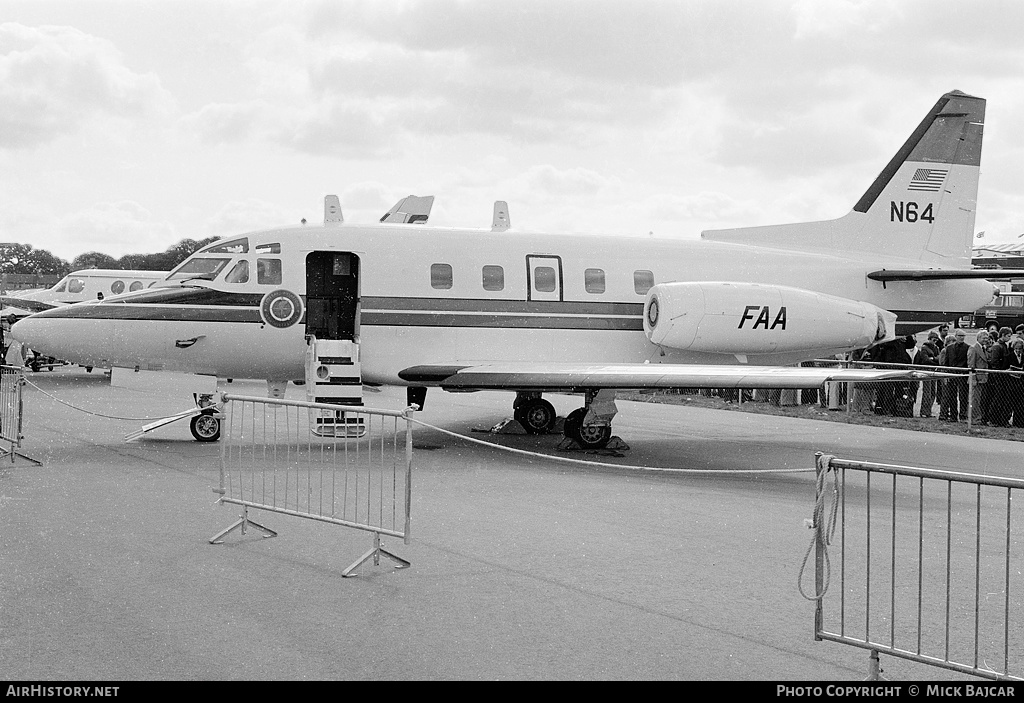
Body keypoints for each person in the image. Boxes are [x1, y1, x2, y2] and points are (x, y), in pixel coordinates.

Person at [940, 331, 970, 422]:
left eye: (963, 336)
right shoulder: (949, 348)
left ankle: (963, 415)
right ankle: (953, 415)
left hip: (962, 374)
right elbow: (946, 362)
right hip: (952, 374)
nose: (961, 338)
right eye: (960, 336)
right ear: (956, 336)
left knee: (963, 396)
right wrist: (946, 374)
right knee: (952, 396)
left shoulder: (967, 347)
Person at [987, 327, 1013, 427]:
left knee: (1001, 398)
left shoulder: (1002, 346)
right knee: (998, 398)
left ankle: (999, 419)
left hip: (1003, 375)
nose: (1009, 338)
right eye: (1008, 336)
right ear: (1002, 335)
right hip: (1000, 376)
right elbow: (995, 362)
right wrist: (999, 372)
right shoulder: (998, 347)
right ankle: (994, 419)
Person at [967, 330, 991, 425]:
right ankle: (973, 419)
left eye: (986, 338)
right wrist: (973, 378)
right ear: (978, 338)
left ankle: (978, 417)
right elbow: (971, 364)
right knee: (974, 399)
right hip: (976, 378)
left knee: (980, 399)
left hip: (983, 378)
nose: (985, 340)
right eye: (983, 338)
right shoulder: (973, 348)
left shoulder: (984, 349)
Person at [917, 332, 942, 418]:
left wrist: (933, 359)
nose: (935, 341)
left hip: (933, 371)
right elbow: (926, 360)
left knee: (933, 392)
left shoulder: (936, 348)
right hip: (927, 371)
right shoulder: (924, 348)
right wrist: (935, 360)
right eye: (933, 339)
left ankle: (928, 411)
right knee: (927, 392)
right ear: (929, 339)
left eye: (936, 340)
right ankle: (924, 411)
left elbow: (939, 359)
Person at [1009, 339, 1024, 428]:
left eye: (1020, 349)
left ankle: (1019, 422)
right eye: (1016, 348)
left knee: (1021, 404)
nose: (1018, 350)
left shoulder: (1023, 357)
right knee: (1011, 402)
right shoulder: (1009, 356)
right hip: (1012, 383)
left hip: (1021, 383)